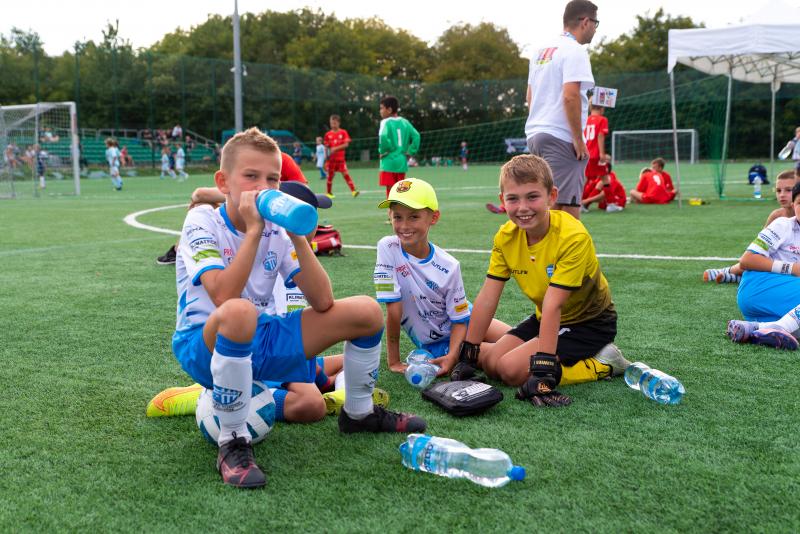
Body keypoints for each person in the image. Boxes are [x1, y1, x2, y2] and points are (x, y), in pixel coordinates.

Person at [170, 128, 425, 487]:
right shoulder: (202, 219)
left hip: (262, 338)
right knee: (240, 312)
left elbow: (322, 301)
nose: (263, 187)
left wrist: (296, 236)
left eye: (272, 179)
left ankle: (359, 413)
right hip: (203, 345)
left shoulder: (276, 230)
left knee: (366, 312)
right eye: (251, 176)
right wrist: (254, 231)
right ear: (223, 182)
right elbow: (224, 297)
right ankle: (233, 441)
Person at [444, 155, 630, 408]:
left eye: (532, 197)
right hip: (546, 318)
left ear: (552, 196)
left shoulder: (572, 236)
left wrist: (543, 371)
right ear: (502, 200)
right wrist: (469, 353)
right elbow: (488, 297)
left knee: (510, 370)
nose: (523, 207)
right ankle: (519, 353)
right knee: (490, 364)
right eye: (513, 198)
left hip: (589, 323)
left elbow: (554, 304)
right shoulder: (505, 237)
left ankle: (603, 363)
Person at [374, 178, 510, 375]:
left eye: (414, 217)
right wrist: (393, 361)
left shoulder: (449, 265)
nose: (404, 225)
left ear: (434, 217)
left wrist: (453, 356)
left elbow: (460, 319)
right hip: (438, 344)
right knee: (500, 358)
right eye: (397, 217)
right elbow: (393, 311)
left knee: (519, 338)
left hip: (466, 318)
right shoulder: (387, 247)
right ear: (390, 216)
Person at [525, 0, 598, 220]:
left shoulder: (540, 51)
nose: (595, 29)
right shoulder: (575, 50)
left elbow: (529, 97)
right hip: (560, 136)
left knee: (548, 204)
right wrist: (578, 139)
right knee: (565, 209)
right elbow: (570, 96)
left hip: (536, 134)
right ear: (585, 22)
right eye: (595, 23)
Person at [726, 182, 800, 351]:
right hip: (759, 287)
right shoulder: (783, 225)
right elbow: (747, 260)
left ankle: (755, 328)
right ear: (793, 205)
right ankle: (780, 327)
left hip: (783, 306)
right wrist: (793, 268)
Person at [704, 170, 796, 284]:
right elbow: (761, 247)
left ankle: (733, 276)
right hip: (777, 262)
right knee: (757, 262)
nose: (782, 194)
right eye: (778, 190)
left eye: (788, 190)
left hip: (793, 263)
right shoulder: (776, 215)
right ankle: (729, 272)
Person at [378, 96, 421, 217]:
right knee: (400, 190)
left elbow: (383, 137)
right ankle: (402, 215)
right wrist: (410, 151)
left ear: (389, 110)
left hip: (388, 161)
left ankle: (392, 216)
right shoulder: (405, 122)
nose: (380, 111)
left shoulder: (385, 122)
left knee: (390, 190)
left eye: (381, 108)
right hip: (402, 161)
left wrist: (383, 150)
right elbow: (416, 136)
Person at [324, 114, 359, 198]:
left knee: (346, 174)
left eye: (335, 123)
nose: (333, 125)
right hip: (331, 160)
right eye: (331, 123)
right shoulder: (328, 134)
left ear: (339, 123)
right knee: (330, 176)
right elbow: (326, 148)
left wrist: (335, 149)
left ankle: (353, 191)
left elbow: (346, 144)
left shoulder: (343, 132)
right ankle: (328, 193)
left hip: (340, 160)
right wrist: (326, 159)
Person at [583, 103, 610, 187]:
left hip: (585, 153)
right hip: (595, 154)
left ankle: (577, 195)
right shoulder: (602, 119)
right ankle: (609, 196)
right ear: (602, 108)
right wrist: (602, 153)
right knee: (605, 178)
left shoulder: (585, 120)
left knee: (585, 178)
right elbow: (600, 135)